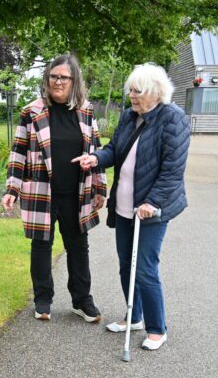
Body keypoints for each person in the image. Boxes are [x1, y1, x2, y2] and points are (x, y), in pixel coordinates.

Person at [74, 62, 190, 351]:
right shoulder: (129, 117)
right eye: (131, 91)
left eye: (137, 91)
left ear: (155, 92)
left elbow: (172, 171)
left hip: (151, 208)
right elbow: (115, 149)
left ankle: (156, 328)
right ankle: (133, 316)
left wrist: (152, 202)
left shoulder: (173, 119)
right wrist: (96, 159)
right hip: (125, 205)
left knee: (145, 267)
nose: (132, 96)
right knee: (126, 264)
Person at [2, 54, 107, 322]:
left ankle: (82, 301)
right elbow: (18, 153)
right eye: (53, 76)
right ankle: (43, 300)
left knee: (78, 247)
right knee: (41, 247)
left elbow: (96, 151)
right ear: (47, 79)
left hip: (77, 194)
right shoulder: (32, 111)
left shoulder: (86, 111)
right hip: (41, 192)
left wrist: (99, 188)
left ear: (74, 81)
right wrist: (12, 189)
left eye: (64, 77)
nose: (58, 82)